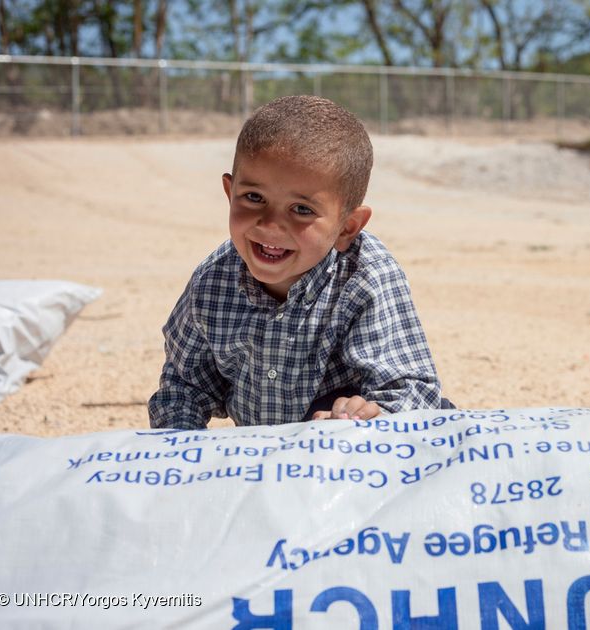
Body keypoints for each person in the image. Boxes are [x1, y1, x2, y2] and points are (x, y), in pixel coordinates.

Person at [148, 95, 448, 429]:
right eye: (254, 197)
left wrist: (366, 418)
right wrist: (180, 443)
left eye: (302, 209)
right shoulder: (213, 282)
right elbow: (184, 388)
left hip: (348, 447)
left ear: (347, 227)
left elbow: (410, 391)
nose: (270, 225)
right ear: (230, 193)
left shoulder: (365, 277)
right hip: (267, 453)